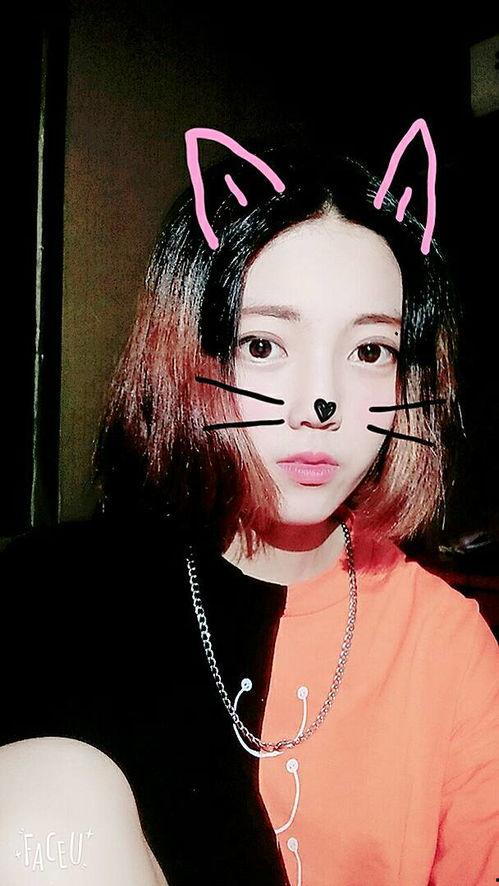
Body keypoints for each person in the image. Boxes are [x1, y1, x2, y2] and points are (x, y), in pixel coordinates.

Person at [1, 141, 497, 885]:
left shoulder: (449, 647)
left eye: (370, 352)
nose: (320, 403)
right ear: (188, 355)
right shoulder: (56, 595)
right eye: (263, 345)